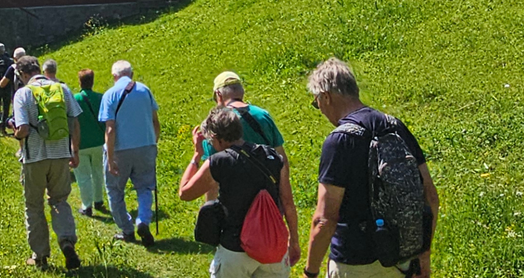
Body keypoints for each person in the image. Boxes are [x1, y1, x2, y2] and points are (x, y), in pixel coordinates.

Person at [302, 58, 439, 278]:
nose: (319, 109)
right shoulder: (395, 126)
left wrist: (310, 272)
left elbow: (325, 219)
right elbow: (430, 196)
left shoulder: (340, 140)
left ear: (326, 97)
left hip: (355, 265)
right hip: (402, 260)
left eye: (316, 102)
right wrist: (423, 254)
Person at [178, 106, 301, 277]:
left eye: (210, 142)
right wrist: (294, 241)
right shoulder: (272, 156)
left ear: (216, 138)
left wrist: (197, 155)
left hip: (235, 249)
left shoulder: (219, 161)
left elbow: (185, 193)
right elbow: (288, 203)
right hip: (272, 248)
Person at [11, 55, 83, 270]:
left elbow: (23, 129)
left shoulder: (23, 93)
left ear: (23, 74)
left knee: (34, 205)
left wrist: (15, 134)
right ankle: (67, 241)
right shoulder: (61, 88)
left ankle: (40, 255)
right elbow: (75, 122)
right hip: (60, 154)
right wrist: (75, 151)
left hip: (35, 158)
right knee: (60, 200)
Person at [99, 59, 162, 246]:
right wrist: (153, 143)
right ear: (131, 74)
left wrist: (110, 158)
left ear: (114, 76)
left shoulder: (109, 95)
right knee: (145, 187)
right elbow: (155, 121)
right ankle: (143, 220)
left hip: (120, 149)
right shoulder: (145, 90)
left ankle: (127, 230)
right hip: (146, 146)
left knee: (114, 190)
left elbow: (110, 129)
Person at [203, 71, 287, 164]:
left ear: (219, 95)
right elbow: (280, 156)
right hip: (267, 176)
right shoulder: (262, 114)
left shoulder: (215, 123)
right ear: (242, 91)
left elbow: (211, 167)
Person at [72, 69, 109, 217]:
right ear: (92, 81)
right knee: (98, 172)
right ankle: (99, 200)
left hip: (81, 143)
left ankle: (87, 206)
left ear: (79, 82)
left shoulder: (75, 99)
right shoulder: (101, 98)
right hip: (99, 141)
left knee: (83, 176)